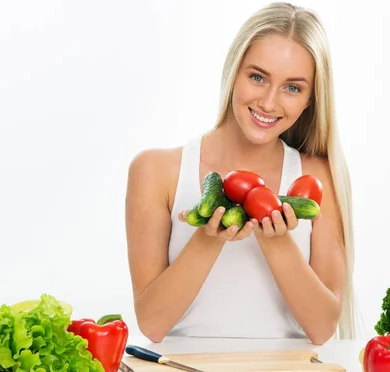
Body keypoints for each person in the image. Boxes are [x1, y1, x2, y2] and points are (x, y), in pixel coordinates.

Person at [125, 2, 356, 344]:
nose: (268, 102)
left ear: (309, 99)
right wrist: (206, 239)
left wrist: (277, 242)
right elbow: (152, 323)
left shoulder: (315, 174)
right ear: (234, 72)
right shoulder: (156, 171)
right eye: (258, 77)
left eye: (292, 87)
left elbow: (323, 329)